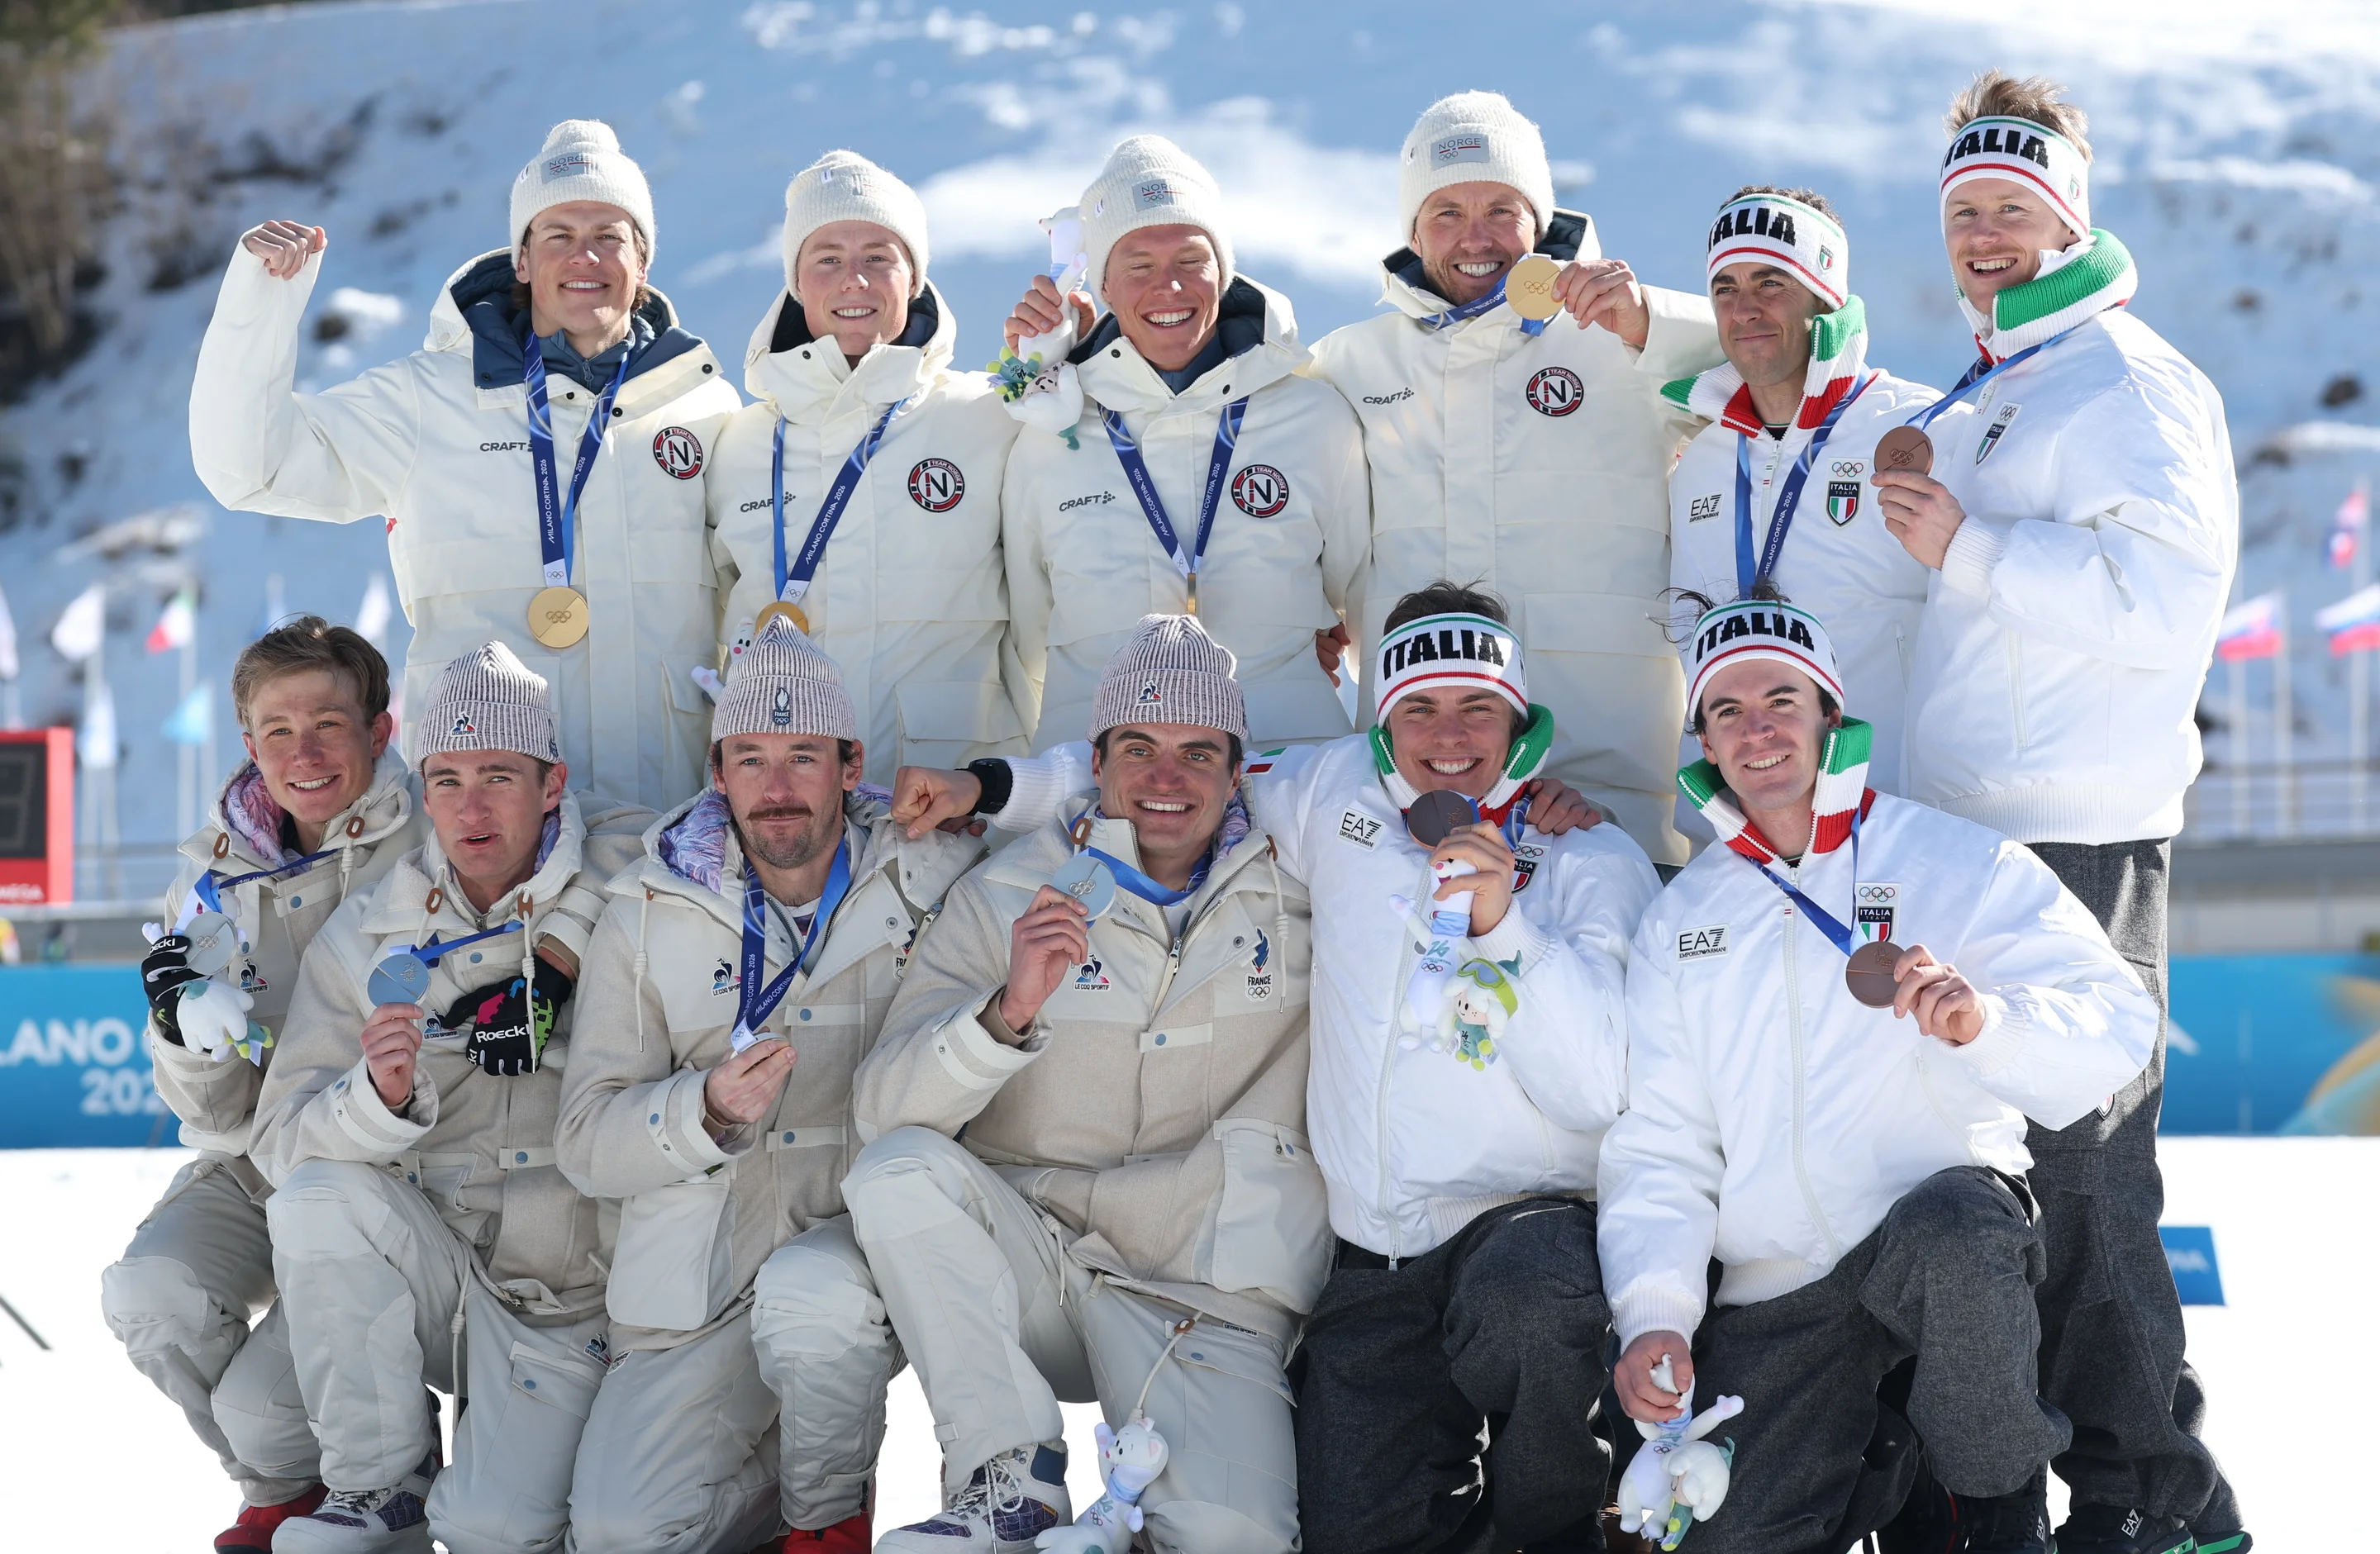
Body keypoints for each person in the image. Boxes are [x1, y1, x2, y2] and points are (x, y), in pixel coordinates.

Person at [895, 583, 1651, 1551]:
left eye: (1477, 707)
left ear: (1520, 719)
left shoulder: (1589, 853)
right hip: (1374, 1258)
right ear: (1382, 719)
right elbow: (1165, 769)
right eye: (1417, 706)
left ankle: (1565, 1529)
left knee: (1532, 1307)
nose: (1447, 734)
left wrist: (1507, 929)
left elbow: (1601, 1085)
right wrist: (987, 789)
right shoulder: (1333, 790)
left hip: (1526, 1231)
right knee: (1345, 1528)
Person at [1876, 73, 2244, 1554]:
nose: (1984, 235)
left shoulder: (2128, 380)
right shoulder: (1999, 381)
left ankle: (2157, 1498)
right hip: (1973, 830)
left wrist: (1970, 544)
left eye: (2011, 210)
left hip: (2079, 834)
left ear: (2067, 216)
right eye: (1965, 210)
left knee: (2087, 1181)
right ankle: (2036, 1481)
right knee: (2009, 1178)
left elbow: (2167, 607)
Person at [1600, 597, 2159, 1554]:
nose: (1758, 729)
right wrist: (1656, 1315)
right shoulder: (1680, 918)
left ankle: (1996, 1509)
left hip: (1931, 1241)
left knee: (1956, 1232)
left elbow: (2119, 1022)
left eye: (1782, 699)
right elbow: (1661, 1144)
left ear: (1829, 715)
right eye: (1727, 711)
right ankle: (1883, 1465)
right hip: (1776, 1286)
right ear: (1702, 740)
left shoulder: (1951, 858)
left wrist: (1988, 1023)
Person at [766, 615, 1327, 1552]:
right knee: (895, 1178)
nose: (1164, 779)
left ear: (1239, 773)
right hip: (1032, 1259)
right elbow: (882, 1114)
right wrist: (1006, 1013)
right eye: (1137, 749)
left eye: (1198, 752)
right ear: (1097, 765)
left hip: (1203, 1289)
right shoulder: (1009, 890)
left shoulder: (1309, 884)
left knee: (1236, 1539)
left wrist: (1556, 814)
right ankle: (1008, 1479)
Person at [554, 620, 984, 1554]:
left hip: (867, 1254)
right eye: (750, 759)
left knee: (816, 1304)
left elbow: (1085, 820)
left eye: (802, 756)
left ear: (851, 763)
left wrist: (987, 789)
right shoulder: (648, 905)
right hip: (705, 1273)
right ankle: (775, 1488)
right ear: (717, 772)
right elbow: (586, 1143)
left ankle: (828, 1521)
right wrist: (699, 1111)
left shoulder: (935, 871)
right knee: (622, 1532)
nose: (777, 787)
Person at [190, 120, 740, 811]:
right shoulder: (430, 398)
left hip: (666, 806)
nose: (585, 256)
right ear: (521, 258)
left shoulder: (704, 404)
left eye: (610, 235)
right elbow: (251, 468)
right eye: (559, 235)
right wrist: (259, 307)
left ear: (644, 259)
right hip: (482, 826)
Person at [248, 643, 648, 1554]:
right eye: (449, 779)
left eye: (500, 776)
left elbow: (705, 839)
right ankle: (379, 1486)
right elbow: (279, 1143)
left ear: (553, 786)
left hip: (574, 1289)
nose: (471, 807)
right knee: (317, 1199)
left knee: (494, 1533)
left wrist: (558, 964)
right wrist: (377, 1098)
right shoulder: (371, 930)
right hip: (442, 1268)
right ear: (422, 791)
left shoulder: (637, 869)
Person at [1307, 91, 1722, 866]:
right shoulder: (1351, 364)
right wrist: (1304, 613)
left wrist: (1654, 323)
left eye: (1503, 208)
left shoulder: (1621, 334)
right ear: (1411, 229)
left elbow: (1780, 372)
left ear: (1541, 220)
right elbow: (1274, 486)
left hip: (1613, 792)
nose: (1477, 238)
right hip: (1421, 802)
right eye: (1446, 212)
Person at [103, 619, 420, 1554]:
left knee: (259, 1401)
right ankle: (284, 1488)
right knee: (150, 1292)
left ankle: (386, 1474)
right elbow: (211, 1115)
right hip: (260, 1159)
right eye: (278, 730)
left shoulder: (435, 842)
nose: (304, 752)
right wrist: (188, 1034)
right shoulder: (206, 881)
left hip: (389, 1164)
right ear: (249, 745)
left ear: (380, 730)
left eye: (329, 723)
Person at [997, 135, 1368, 750]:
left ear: (1223, 270)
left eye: (1191, 260)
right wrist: (1029, 361)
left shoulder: (1315, 415)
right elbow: (1027, 638)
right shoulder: (1048, 432)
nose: (1168, 287)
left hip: (1290, 766)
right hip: (1097, 774)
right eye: (1138, 265)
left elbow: (1359, 596)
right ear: (1103, 287)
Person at [707, 151, 1026, 781]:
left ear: (914, 277)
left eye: (879, 256)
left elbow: (1041, 613)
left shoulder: (989, 419)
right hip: (787, 804)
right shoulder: (739, 444)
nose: (854, 279)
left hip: (946, 790)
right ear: (797, 282)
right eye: (827, 258)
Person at [1665, 186, 1935, 796]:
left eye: (1770, 284)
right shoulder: (1700, 460)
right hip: (1734, 830)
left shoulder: (1918, 430)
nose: (1744, 309)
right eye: (1725, 289)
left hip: (1888, 813)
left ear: (1825, 296)